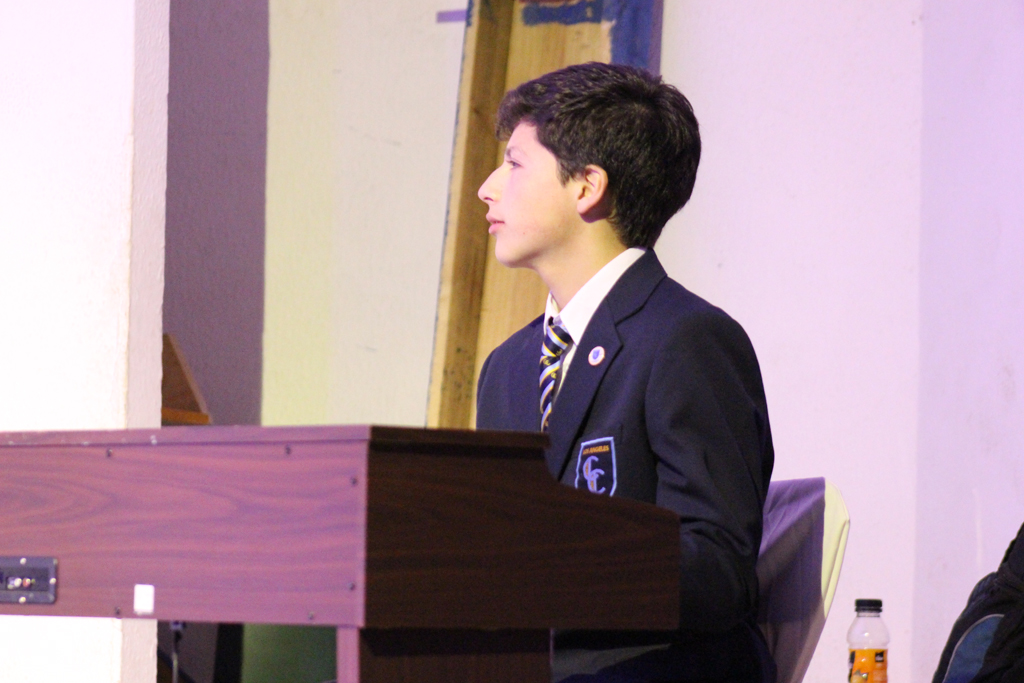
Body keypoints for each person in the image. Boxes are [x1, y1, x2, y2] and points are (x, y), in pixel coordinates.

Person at [475, 62, 776, 683]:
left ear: (587, 187)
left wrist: (552, 562)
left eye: (514, 163)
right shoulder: (507, 367)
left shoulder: (685, 340)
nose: (487, 188)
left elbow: (718, 569)